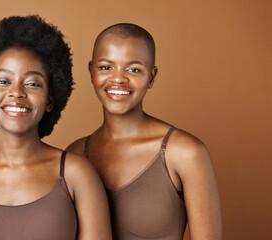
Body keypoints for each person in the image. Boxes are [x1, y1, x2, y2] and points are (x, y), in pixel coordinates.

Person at [0, 15, 112, 240]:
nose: (17, 93)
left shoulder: (76, 174)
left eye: (32, 83)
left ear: (50, 99)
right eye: (3, 81)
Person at [67, 23, 222, 239]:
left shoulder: (185, 152)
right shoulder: (75, 154)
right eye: (105, 67)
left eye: (133, 69)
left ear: (151, 76)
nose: (118, 78)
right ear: (91, 71)